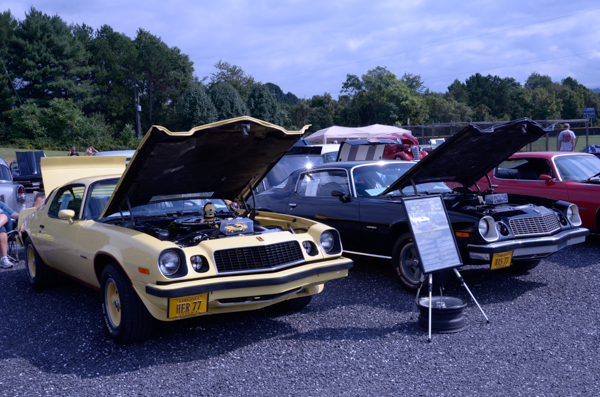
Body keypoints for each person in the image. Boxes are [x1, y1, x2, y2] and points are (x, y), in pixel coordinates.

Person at [0, 201, 19, 269]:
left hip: (7, 225)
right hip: (2, 230)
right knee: (1, 230)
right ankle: (4, 259)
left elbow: (13, 214)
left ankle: (4, 259)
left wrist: (23, 216)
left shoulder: (0, 204)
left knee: (5, 214)